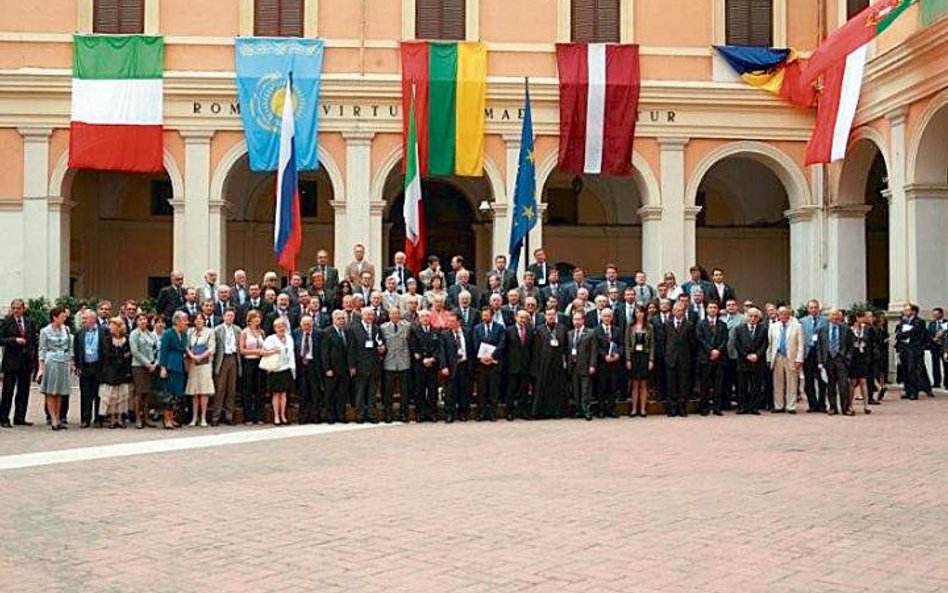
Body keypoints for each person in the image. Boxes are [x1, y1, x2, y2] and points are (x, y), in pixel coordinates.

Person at [0, 298, 38, 427]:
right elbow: (1, 339)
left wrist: (33, 358)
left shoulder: (29, 322)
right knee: (8, 391)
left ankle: (20, 417)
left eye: (18, 308)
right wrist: (14, 340)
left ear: (23, 309)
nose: (16, 310)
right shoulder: (6, 322)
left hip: (25, 362)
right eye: (14, 308)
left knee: (23, 391)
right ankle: (4, 418)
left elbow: (33, 341)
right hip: (11, 361)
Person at [36, 307, 73, 431]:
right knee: (51, 391)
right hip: (51, 362)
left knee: (60, 391)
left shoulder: (66, 329)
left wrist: (71, 361)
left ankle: (58, 417)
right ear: (54, 317)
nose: (64, 319)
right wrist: (40, 368)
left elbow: (69, 346)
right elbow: (42, 349)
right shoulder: (45, 331)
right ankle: (52, 419)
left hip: (63, 361)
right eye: (62, 316)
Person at [348, 307, 385, 423]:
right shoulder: (354, 329)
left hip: (374, 365)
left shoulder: (377, 328)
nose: (370, 317)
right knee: (360, 392)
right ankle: (360, 415)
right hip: (360, 366)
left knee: (372, 392)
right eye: (367, 315)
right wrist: (352, 366)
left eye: (372, 315)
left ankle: (371, 414)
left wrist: (382, 349)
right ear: (362, 316)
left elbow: (381, 343)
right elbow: (351, 349)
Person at [408, 309, 444, 422]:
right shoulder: (414, 331)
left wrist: (433, 358)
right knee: (420, 389)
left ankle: (432, 413)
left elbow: (439, 347)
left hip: (433, 364)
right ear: (419, 318)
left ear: (430, 318)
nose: (425, 319)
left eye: (427, 316)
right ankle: (420, 413)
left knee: (432, 389)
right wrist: (423, 359)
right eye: (423, 317)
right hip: (420, 365)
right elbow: (413, 348)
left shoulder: (436, 331)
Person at [767, 306, 804, 414]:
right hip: (777, 357)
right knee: (777, 382)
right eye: (781, 314)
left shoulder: (797, 326)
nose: (783, 316)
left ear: (789, 315)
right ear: (778, 315)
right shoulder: (773, 327)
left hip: (791, 357)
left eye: (785, 314)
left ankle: (791, 406)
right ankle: (778, 406)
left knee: (792, 382)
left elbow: (801, 344)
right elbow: (770, 344)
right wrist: (769, 359)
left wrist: (799, 359)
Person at [532, 307, 568, 419]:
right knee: (543, 388)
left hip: (558, 364)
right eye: (548, 315)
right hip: (544, 364)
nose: (551, 316)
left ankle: (557, 412)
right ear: (545, 316)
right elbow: (536, 349)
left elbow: (566, 346)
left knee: (557, 388)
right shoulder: (539, 329)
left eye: (553, 314)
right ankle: (543, 412)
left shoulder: (562, 328)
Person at [99, 318, 133, 429]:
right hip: (110, 371)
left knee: (121, 395)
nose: (110, 327)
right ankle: (112, 419)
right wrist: (122, 356)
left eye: (112, 325)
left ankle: (120, 418)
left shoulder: (126, 339)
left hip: (123, 371)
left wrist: (123, 357)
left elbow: (129, 353)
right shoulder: (107, 339)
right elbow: (107, 354)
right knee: (111, 396)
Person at [662, 303, 695, 417]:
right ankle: (672, 408)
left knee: (683, 385)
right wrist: (666, 356)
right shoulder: (667, 324)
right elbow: (664, 341)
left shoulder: (690, 325)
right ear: (673, 311)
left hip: (684, 359)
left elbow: (692, 344)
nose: (679, 312)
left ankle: (682, 408)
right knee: (671, 385)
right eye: (677, 310)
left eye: (681, 310)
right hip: (670, 359)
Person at [733, 307, 768, 415]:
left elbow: (765, 344)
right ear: (746, 316)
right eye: (751, 316)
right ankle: (742, 407)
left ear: (759, 318)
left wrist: (757, 355)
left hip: (757, 361)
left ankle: (754, 407)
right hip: (743, 361)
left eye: (755, 316)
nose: (753, 318)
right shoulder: (739, 328)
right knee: (742, 386)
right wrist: (746, 355)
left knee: (756, 386)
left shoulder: (763, 329)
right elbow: (737, 344)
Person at [158, 311, 189, 429]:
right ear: (177, 321)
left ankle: (173, 417)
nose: (186, 322)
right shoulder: (168, 333)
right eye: (184, 320)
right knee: (168, 393)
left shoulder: (184, 334)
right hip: (170, 365)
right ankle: (167, 419)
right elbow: (163, 351)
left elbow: (185, 349)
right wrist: (163, 367)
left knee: (178, 394)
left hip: (180, 366)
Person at [818, 308, 853, 415]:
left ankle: (845, 408)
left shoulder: (846, 329)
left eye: (836, 315)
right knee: (831, 385)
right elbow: (819, 347)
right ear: (829, 316)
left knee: (843, 385)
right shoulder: (822, 329)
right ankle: (832, 407)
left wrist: (847, 358)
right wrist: (820, 362)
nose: (834, 317)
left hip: (841, 360)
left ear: (840, 316)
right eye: (832, 315)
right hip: (828, 360)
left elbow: (850, 346)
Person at [261, 317, 295, 426]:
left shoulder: (289, 338)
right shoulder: (270, 339)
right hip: (275, 369)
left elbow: (291, 353)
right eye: (279, 326)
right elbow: (263, 352)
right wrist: (273, 351)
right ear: (274, 328)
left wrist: (293, 368)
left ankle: (283, 416)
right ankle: (276, 416)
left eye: (283, 326)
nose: (281, 328)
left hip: (286, 368)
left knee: (284, 394)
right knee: (276, 394)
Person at [473, 307, 505, 421]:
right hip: (481, 364)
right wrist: (481, 357)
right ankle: (481, 413)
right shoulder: (477, 328)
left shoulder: (499, 328)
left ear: (491, 316)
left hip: (494, 363)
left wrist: (492, 356)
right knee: (481, 390)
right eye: (483, 315)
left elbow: (502, 343)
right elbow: (475, 343)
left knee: (493, 390)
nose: (484, 317)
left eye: (486, 315)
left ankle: (492, 413)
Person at [380, 306, 411, 423]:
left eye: (397, 314)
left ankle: (404, 413)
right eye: (392, 314)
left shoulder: (407, 326)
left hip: (404, 360)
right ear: (389, 315)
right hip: (389, 361)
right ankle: (388, 413)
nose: (395, 316)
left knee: (405, 390)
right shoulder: (383, 327)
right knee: (388, 390)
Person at [696, 302, 727, 416]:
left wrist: (718, 350)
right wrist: (710, 350)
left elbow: (725, 339)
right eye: (710, 307)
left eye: (715, 307)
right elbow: (700, 339)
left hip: (719, 358)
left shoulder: (722, 324)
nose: (713, 309)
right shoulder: (701, 323)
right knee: (705, 384)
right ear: (707, 309)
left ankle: (717, 408)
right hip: (705, 357)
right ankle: (704, 408)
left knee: (718, 384)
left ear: (718, 310)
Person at [211, 308, 242, 426]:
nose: (230, 318)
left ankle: (229, 415)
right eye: (228, 316)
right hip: (222, 359)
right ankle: (216, 416)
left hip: (233, 358)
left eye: (232, 316)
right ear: (223, 317)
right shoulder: (217, 330)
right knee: (220, 389)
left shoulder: (238, 330)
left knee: (231, 389)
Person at [73, 309, 103, 428]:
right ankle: (85, 419)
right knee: (85, 394)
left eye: (85, 318)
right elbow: (76, 351)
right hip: (85, 367)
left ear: (93, 319)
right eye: (82, 318)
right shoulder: (79, 333)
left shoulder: (103, 331)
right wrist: (77, 365)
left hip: (98, 366)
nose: (83, 320)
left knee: (99, 394)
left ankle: (99, 418)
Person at [185, 313, 216, 427]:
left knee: (203, 391)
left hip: (205, 363)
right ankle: (194, 418)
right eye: (197, 319)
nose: (199, 321)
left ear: (204, 321)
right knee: (194, 391)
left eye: (201, 319)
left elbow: (212, 348)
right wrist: (192, 356)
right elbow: (186, 346)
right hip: (193, 363)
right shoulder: (189, 332)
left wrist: (200, 356)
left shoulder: (210, 332)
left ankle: (203, 417)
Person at [129, 313, 160, 429]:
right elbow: (135, 351)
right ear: (137, 322)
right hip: (139, 366)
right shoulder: (134, 334)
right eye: (140, 319)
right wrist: (147, 364)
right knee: (139, 393)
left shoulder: (151, 334)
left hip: (152, 366)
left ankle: (146, 418)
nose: (143, 321)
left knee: (148, 393)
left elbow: (156, 348)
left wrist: (155, 363)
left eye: (144, 319)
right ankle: (138, 418)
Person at [894, 303, 930, 400]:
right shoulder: (903, 321)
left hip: (913, 349)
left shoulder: (919, 321)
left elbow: (914, 332)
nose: (905, 312)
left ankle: (914, 391)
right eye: (904, 310)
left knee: (912, 370)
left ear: (912, 311)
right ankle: (907, 390)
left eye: (907, 310)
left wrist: (904, 333)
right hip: (903, 348)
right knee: (905, 370)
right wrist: (903, 333)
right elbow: (898, 333)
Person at [321, 310, 350, 424]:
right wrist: (327, 368)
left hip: (344, 368)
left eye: (343, 318)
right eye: (339, 319)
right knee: (330, 394)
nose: (341, 321)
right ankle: (330, 416)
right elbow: (324, 352)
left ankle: (341, 415)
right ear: (334, 320)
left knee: (342, 394)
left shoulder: (347, 331)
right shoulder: (327, 332)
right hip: (332, 369)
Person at [623, 305, 653, 418]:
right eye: (637, 312)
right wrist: (628, 359)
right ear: (634, 314)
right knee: (635, 384)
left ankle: (643, 409)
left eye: (641, 312)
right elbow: (627, 344)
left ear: (644, 314)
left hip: (644, 357)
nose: (639, 314)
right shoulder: (630, 326)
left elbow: (652, 344)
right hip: (634, 357)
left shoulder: (649, 327)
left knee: (644, 384)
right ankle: (634, 409)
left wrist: (651, 359)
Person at [505, 310, 535, 421]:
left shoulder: (530, 331)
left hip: (525, 365)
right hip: (512, 365)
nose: (522, 320)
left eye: (524, 318)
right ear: (516, 317)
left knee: (524, 390)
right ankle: (510, 412)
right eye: (520, 317)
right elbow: (505, 349)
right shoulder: (509, 331)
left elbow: (532, 349)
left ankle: (522, 411)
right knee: (511, 390)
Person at [593, 308, 623, 418]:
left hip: (615, 364)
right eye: (605, 316)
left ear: (612, 317)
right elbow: (596, 347)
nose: (607, 318)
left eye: (609, 316)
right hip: (602, 364)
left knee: (613, 387)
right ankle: (601, 410)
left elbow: (621, 345)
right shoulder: (596, 330)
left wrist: (618, 354)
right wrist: (604, 356)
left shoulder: (617, 330)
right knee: (602, 388)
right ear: (601, 317)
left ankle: (611, 409)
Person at [567, 311, 597, 420]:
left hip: (585, 365)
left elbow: (594, 350)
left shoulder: (590, 333)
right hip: (573, 366)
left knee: (585, 390)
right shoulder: (570, 333)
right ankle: (579, 410)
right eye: (575, 319)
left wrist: (593, 365)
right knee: (576, 390)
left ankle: (587, 410)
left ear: (583, 320)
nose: (576, 321)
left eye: (579, 319)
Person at [239, 310, 267, 425]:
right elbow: (242, 350)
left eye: (259, 318)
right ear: (250, 320)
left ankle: (259, 415)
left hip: (260, 362)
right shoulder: (245, 332)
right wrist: (257, 351)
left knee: (260, 389)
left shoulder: (262, 332)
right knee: (248, 389)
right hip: (249, 362)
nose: (257, 320)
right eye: (255, 318)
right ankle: (248, 417)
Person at [799, 299, 828, 413]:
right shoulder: (802, 321)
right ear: (808, 309)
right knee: (809, 380)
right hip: (808, 353)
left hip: (820, 352)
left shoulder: (825, 321)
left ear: (818, 308)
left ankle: (822, 404)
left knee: (822, 379)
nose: (813, 310)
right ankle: (812, 404)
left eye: (815, 307)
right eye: (811, 308)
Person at [293, 315, 322, 424]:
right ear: (301, 324)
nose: (307, 326)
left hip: (314, 366)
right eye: (304, 324)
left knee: (315, 393)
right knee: (303, 393)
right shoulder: (296, 333)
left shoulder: (319, 333)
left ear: (312, 324)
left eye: (309, 324)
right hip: (301, 366)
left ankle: (315, 416)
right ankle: (303, 417)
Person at [848, 311, 874, 415]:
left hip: (863, 357)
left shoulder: (867, 329)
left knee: (863, 381)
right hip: (853, 357)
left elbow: (870, 341)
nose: (862, 319)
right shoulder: (849, 329)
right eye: (860, 317)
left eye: (863, 317)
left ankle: (866, 405)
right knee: (853, 381)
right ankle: (850, 404)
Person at [927, 307, 947, 389]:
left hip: (944, 347)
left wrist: (942, 336)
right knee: (935, 365)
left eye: (936, 314)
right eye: (933, 314)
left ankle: (946, 383)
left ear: (941, 314)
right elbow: (928, 334)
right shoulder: (932, 324)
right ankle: (936, 382)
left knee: (946, 365)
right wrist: (932, 338)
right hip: (934, 347)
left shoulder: (946, 323)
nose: (934, 315)